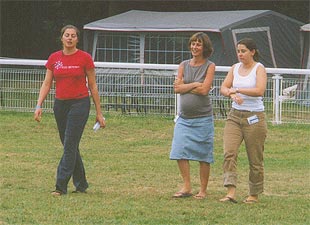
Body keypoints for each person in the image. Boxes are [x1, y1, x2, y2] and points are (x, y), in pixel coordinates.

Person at [34, 25, 106, 196]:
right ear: (62, 38)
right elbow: (47, 83)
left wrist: (99, 112)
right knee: (69, 145)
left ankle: (60, 186)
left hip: (79, 104)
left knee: (70, 144)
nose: (70, 38)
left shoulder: (85, 58)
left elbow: (93, 85)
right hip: (60, 105)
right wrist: (38, 105)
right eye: (67, 35)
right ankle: (81, 184)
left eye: (73, 36)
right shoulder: (54, 58)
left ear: (77, 39)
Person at [219, 38, 267, 204]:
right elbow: (224, 87)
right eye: (238, 51)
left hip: (254, 117)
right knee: (229, 153)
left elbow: (259, 90)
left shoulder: (259, 68)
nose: (240, 54)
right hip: (234, 116)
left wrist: (237, 89)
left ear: (252, 52)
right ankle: (230, 191)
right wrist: (231, 94)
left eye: (243, 51)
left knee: (255, 158)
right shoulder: (234, 68)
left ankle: (254, 193)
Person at [170, 32, 215, 200]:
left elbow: (204, 91)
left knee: (203, 155)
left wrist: (186, 86)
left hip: (203, 118)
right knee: (179, 150)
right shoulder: (183, 64)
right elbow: (176, 88)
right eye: (193, 44)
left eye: (198, 44)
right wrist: (196, 83)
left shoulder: (210, 66)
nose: (194, 47)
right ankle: (187, 186)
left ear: (204, 47)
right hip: (184, 118)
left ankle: (203, 190)